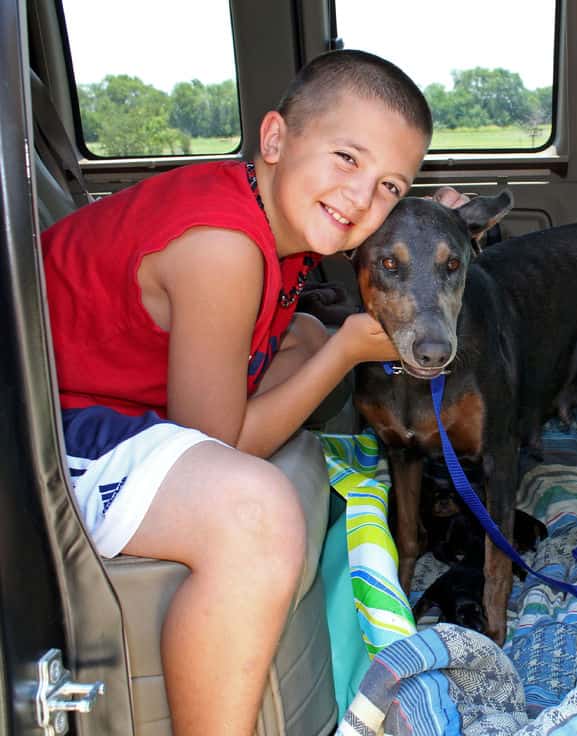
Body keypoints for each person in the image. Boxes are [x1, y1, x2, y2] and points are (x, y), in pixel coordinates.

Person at [42, 49, 432, 735]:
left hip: (106, 397)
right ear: (276, 138)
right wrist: (346, 352)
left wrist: (324, 342)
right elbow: (212, 439)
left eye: (390, 187)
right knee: (258, 514)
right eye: (347, 158)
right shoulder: (221, 246)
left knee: (307, 330)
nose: (362, 198)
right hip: (41, 421)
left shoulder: (265, 218)